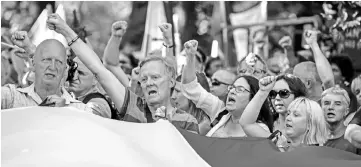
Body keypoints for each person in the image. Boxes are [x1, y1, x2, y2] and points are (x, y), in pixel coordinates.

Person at [46, 14, 199, 133]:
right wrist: (65, 30)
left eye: (155, 77)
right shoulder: (134, 106)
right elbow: (99, 70)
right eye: (144, 79)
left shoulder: (187, 121)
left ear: (171, 82)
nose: (149, 83)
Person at [2, 31, 88, 111]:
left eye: (59, 62)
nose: (52, 67)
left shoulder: (79, 110)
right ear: (33, 64)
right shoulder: (12, 98)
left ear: (65, 69)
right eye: (47, 60)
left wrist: (64, 112)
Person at [240, 76, 329, 152]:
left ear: (311, 122)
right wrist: (263, 91)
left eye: (284, 93)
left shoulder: (320, 153)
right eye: (273, 94)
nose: (288, 118)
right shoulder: (281, 142)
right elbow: (246, 123)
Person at [293, 30, 335, 102]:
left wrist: (313, 44)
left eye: (295, 80)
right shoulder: (294, 105)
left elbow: (328, 80)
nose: (291, 84)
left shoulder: (327, 103)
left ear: (308, 83)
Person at [321, 86, 361, 155]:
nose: (331, 107)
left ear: (346, 111)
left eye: (337, 104)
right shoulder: (313, 139)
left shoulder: (355, 139)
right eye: (327, 103)